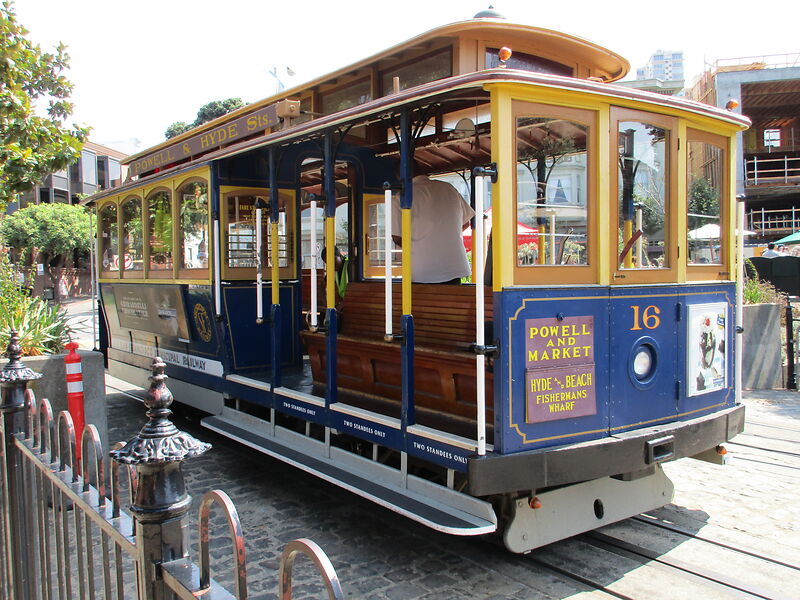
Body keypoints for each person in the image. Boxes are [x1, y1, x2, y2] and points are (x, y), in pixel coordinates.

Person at [391, 174, 475, 283]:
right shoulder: (448, 188)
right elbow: (466, 222)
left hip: (422, 270)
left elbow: (397, 237)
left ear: (400, 177)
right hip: (452, 267)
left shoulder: (401, 197)